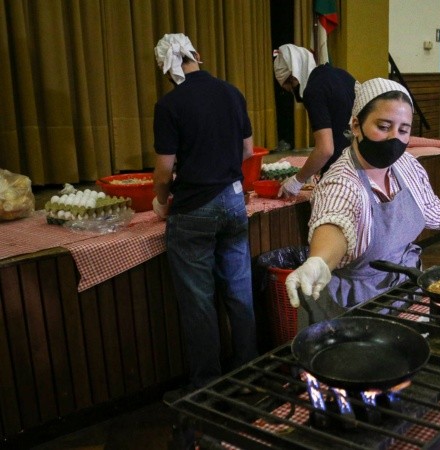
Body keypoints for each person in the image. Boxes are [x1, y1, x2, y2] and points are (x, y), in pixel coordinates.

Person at [284, 78, 440, 321]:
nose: (394, 138)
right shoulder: (341, 182)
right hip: (354, 307)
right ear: (356, 125)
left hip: (403, 292)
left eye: (403, 130)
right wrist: (319, 261)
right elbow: (334, 223)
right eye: (384, 126)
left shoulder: (406, 166)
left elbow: (434, 212)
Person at [151, 33, 258, 391]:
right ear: (197, 54)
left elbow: (164, 172)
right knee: (239, 293)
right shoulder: (232, 92)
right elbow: (247, 151)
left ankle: (207, 387)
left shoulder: (169, 105)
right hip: (233, 200)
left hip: (193, 208)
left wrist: (160, 200)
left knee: (199, 303)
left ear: (168, 69)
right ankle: (248, 375)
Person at [272, 44, 356, 197]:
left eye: (290, 86)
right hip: (362, 166)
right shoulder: (342, 74)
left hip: (340, 174)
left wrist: (297, 180)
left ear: (294, 76)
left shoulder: (314, 90)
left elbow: (325, 149)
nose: (293, 92)